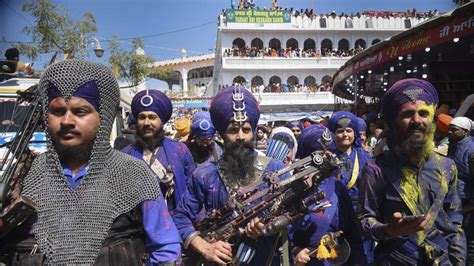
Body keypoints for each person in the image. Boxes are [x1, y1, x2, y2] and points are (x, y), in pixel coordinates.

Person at [0, 60, 181, 265]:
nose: (66, 121)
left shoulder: (133, 174)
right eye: (58, 111)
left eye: (80, 112)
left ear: (103, 117)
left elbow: (165, 247)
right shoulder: (24, 176)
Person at [172, 86, 289, 265]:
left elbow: (296, 214)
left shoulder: (276, 169)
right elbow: (180, 217)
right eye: (233, 130)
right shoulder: (204, 174)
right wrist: (205, 247)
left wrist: (271, 225)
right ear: (221, 134)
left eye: (247, 130)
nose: (241, 136)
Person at [359, 78, 466, 264]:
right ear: (394, 122)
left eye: (424, 113)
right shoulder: (376, 168)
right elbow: (363, 222)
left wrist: (458, 261)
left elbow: (454, 224)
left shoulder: (447, 167)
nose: (417, 120)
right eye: (407, 114)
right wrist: (390, 230)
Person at [291, 125, 366, 266]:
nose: (325, 159)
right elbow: (283, 233)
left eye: (330, 153)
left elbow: (351, 229)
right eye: (319, 155)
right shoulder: (292, 191)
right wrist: (296, 251)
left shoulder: (338, 187)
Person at [122, 89, 196, 212]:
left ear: (162, 121)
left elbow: (193, 190)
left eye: (152, 117)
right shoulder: (125, 155)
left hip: (177, 223)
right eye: (142, 117)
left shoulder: (180, 150)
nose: (146, 123)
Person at [448, 116, 474, 264]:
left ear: (465, 132)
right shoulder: (454, 145)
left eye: (454, 130)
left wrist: (469, 206)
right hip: (455, 204)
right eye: (449, 129)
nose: (450, 132)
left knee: (470, 244)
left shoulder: (471, 150)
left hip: (468, 208)